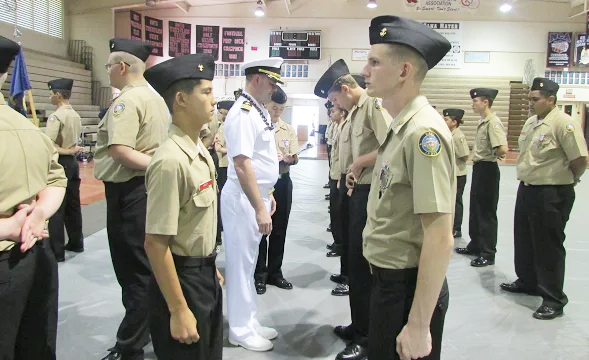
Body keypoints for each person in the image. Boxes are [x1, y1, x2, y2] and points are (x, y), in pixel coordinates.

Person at [360, 15, 455, 360]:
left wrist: (418, 325)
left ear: (403, 72)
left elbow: (440, 236)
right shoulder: (402, 127)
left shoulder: (422, 134)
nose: (365, 70)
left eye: (374, 62)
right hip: (390, 284)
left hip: (407, 289)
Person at [142, 53, 225, 359]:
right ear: (181, 100)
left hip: (202, 273)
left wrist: (209, 265)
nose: (213, 100)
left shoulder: (198, 151)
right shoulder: (170, 161)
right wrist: (178, 309)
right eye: (206, 91)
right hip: (182, 280)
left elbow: (194, 223)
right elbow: (155, 243)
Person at [94, 38, 170, 360]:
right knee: (146, 267)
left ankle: (129, 346)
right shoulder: (156, 98)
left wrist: (161, 165)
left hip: (129, 193)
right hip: (147, 191)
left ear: (122, 67)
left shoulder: (127, 101)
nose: (108, 71)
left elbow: (121, 151)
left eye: (110, 65)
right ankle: (149, 330)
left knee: (133, 273)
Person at [315, 59, 391, 360]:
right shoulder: (357, 111)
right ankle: (358, 325)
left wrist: (359, 163)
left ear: (345, 89)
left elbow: (391, 144)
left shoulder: (372, 105)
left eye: (334, 99)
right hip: (358, 188)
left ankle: (368, 337)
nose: (335, 105)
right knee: (355, 265)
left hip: (372, 192)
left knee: (363, 266)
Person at [0, 35, 67, 360]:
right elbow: (56, 179)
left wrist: (9, 226)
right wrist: (39, 213)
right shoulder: (27, 126)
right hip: (35, 258)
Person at [500, 77, 587, 320]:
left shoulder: (564, 124)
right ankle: (528, 281)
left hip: (552, 192)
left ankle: (553, 299)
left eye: (535, 100)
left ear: (551, 99)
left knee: (548, 246)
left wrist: (568, 179)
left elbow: (579, 159)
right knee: (525, 239)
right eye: (529, 99)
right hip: (527, 189)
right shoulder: (531, 122)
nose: (531, 104)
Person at [221, 57, 283, 352]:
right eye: (271, 83)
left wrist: (267, 193)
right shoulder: (244, 113)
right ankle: (240, 330)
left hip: (255, 195)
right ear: (257, 79)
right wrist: (259, 206)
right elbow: (243, 165)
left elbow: (260, 161)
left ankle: (249, 320)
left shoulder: (256, 111)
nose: (274, 89)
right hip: (243, 200)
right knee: (239, 264)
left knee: (248, 265)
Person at [455, 87, 508, 267]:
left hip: (488, 169)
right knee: (476, 209)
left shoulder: (493, 122)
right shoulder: (484, 121)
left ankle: (488, 252)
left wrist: (495, 153)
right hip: (479, 168)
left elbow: (502, 148)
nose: (473, 104)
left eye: (476, 101)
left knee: (486, 212)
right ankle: (476, 244)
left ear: (485, 102)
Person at [254, 85, 299, 294]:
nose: (277, 112)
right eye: (274, 108)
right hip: (263, 184)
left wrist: (287, 158)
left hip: (282, 181)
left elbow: (294, 157)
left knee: (280, 228)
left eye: (281, 109)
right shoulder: (258, 127)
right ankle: (259, 274)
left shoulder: (287, 129)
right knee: (263, 229)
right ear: (266, 105)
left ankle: (275, 273)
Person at [45, 78, 84, 261]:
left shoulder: (57, 116)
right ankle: (77, 242)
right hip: (73, 163)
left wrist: (66, 150)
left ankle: (57, 251)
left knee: (57, 208)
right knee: (73, 205)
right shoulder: (74, 114)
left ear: (58, 94)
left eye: (51, 93)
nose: (50, 96)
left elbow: (49, 144)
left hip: (60, 163)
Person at [326, 102, 350, 297]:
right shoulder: (343, 125)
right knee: (341, 225)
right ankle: (345, 274)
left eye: (334, 108)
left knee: (349, 234)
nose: (331, 112)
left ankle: (349, 279)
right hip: (338, 177)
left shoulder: (350, 123)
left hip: (348, 181)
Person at [443, 108, 469, 238]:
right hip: (451, 173)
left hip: (459, 174)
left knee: (457, 201)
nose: (444, 121)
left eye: (446, 119)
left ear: (454, 122)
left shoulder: (458, 136)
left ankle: (457, 228)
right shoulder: (449, 134)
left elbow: (464, 155)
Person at [213, 100, 234, 248]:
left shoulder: (227, 126)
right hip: (226, 167)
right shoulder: (227, 126)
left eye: (221, 112)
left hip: (227, 167)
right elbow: (218, 147)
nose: (219, 115)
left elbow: (218, 147)